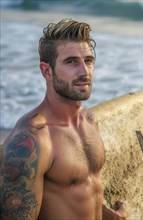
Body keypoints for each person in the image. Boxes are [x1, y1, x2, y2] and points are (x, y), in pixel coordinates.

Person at [0, 18, 126, 220]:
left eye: (88, 60)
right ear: (47, 71)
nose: (84, 71)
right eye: (71, 62)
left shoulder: (90, 122)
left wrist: (105, 214)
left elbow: (83, 189)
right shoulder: (32, 141)